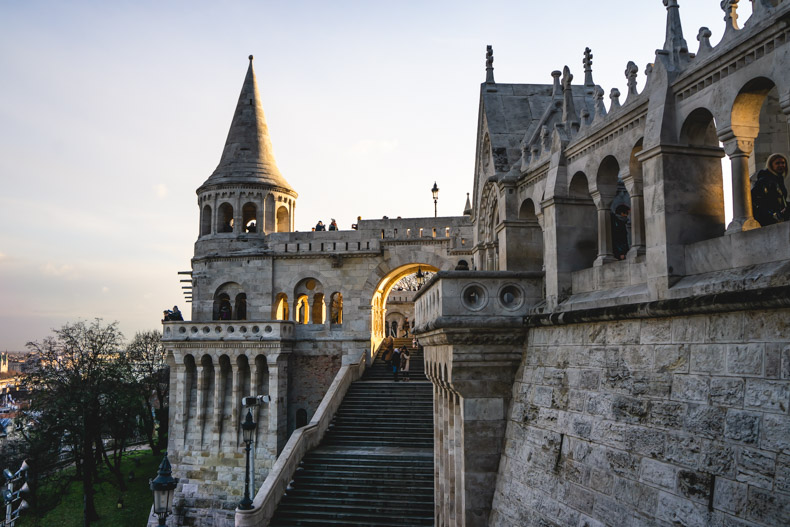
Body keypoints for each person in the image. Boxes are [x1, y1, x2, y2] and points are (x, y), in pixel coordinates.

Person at [751, 153, 789, 226]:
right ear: (771, 165)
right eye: (777, 163)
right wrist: (772, 214)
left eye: (783, 163)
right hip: (768, 219)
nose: (781, 165)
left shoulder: (779, 180)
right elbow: (755, 200)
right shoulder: (765, 180)